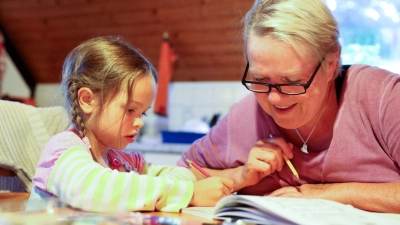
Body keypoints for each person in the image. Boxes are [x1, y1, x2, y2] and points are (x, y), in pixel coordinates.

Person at [178, 0, 400, 213]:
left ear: (331, 65)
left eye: (292, 82)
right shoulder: (246, 116)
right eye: (261, 79)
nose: (274, 99)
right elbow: (179, 174)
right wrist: (240, 175)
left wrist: (327, 193)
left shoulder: (383, 98)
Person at [29, 36, 233, 212]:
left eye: (142, 112)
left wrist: (179, 186)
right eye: (129, 110)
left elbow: (180, 173)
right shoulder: (62, 151)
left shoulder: (124, 162)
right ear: (87, 100)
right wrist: (190, 194)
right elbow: (97, 190)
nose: (140, 123)